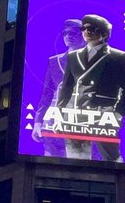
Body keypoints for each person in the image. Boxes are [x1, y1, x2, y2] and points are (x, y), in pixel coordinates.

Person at [56, 14, 125, 162]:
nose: (87, 31)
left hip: (104, 115)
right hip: (76, 115)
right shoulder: (73, 56)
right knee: (75, 160)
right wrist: (58, 114)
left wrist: (117, 114)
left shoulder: (119, 57)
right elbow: (66, 88)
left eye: (92, 28)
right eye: (84, 28)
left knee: (112, 160)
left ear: (104, 33)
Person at [31, 19, 86, 157]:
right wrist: (37, 123)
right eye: (65, 33)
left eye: (73, 33)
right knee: (51, 163)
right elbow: (47, 95)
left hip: (84, 122)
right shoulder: (54, 61)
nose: (68, 36)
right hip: (54, 122)